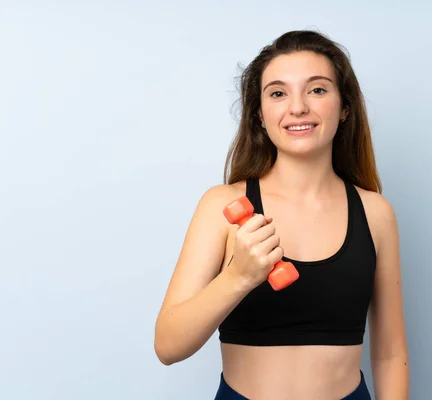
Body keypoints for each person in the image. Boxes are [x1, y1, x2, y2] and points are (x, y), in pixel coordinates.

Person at [154, 29, 409, 399]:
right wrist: (239, 276)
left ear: (345, 107)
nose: (298, 107)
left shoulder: (376, 214)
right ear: (260, 114)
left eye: (317, 89)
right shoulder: (220, 207)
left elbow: (390, 353)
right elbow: (168, 346)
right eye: (278, 93)